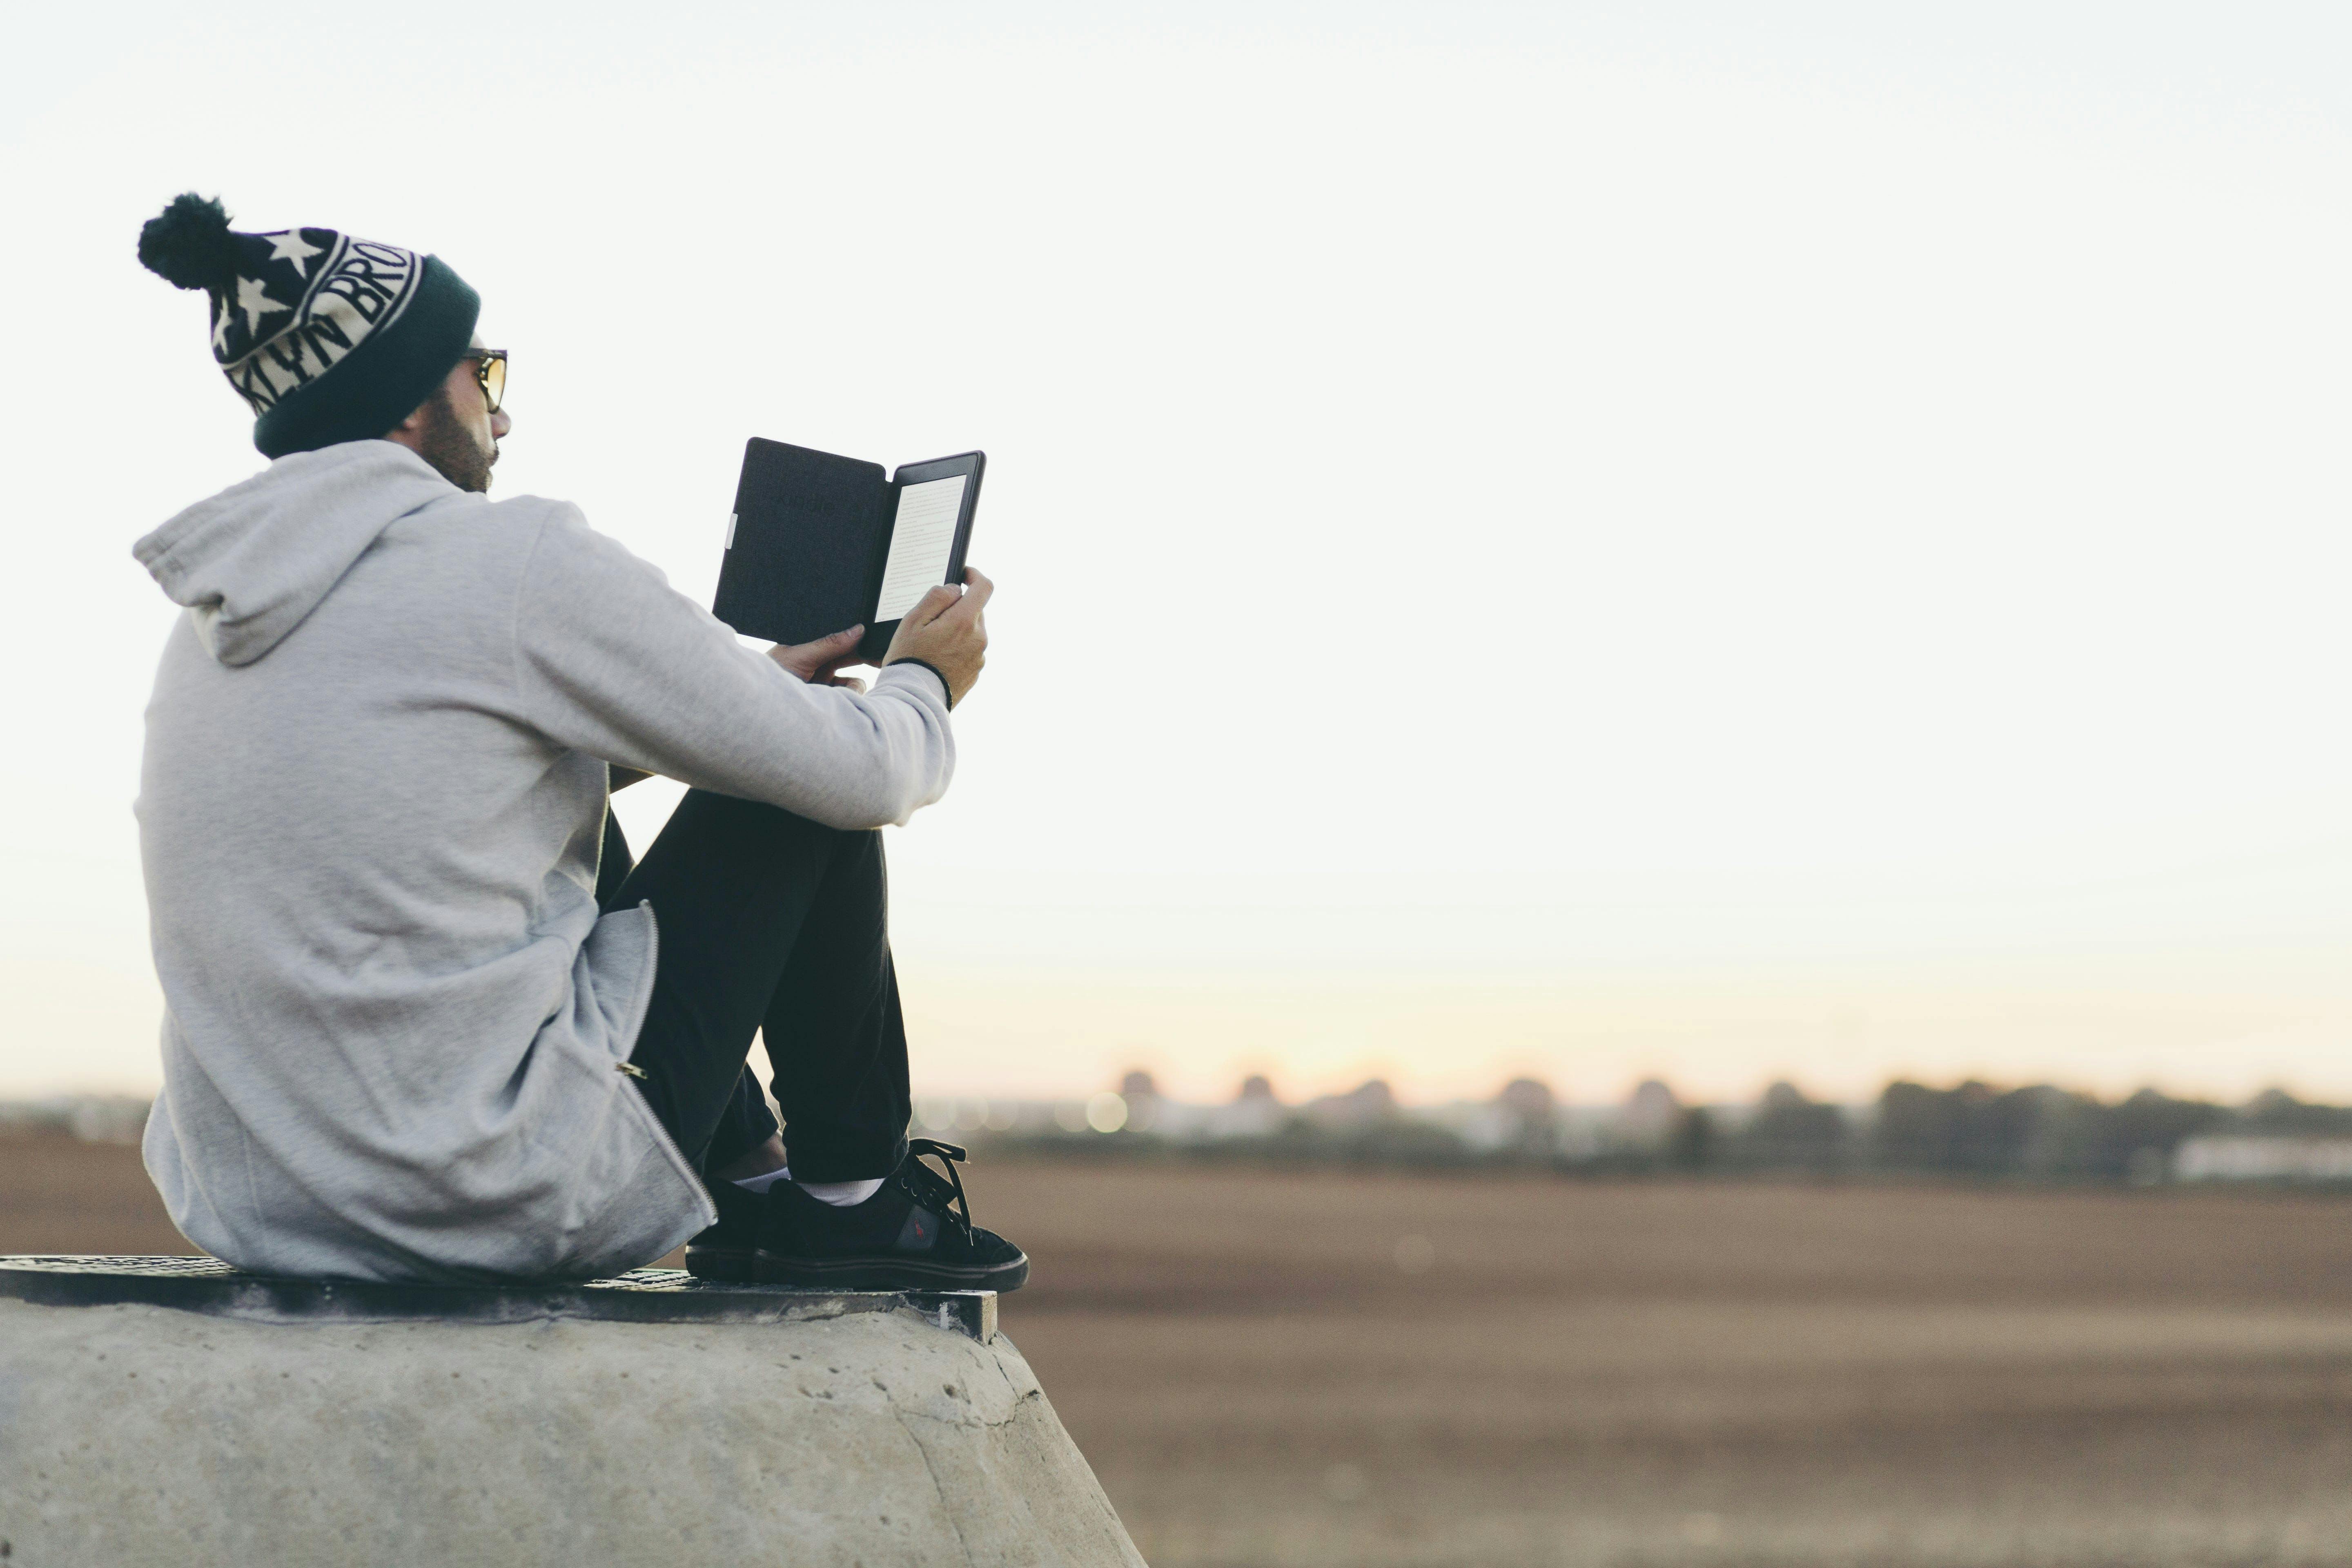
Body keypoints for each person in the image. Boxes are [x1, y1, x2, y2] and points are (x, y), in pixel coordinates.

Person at [128, 193, 1026, 1290]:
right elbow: (864, 773)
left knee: (583, 795)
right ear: (409, 403)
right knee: (808, 779)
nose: (502, 417)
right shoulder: (511, 557)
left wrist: (747, 695)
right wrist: (925, 682)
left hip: (261, 1205)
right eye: (484, 375)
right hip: (492, 1197)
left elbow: (444, 777)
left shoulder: (215, 618)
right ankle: (850, 1201)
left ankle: (744, 1180)